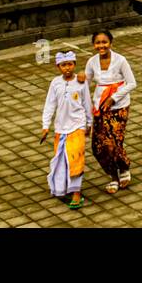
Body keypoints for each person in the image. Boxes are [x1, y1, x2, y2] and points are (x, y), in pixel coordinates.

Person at [85, 30, 137, 192]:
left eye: (104, 42)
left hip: (119, 106)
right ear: (94, 45)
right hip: (100, 106)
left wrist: (114, 97)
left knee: (114, 142)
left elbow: (131, 83)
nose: (101, 46)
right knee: (99, 145)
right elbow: (84, 84)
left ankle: (124, 169)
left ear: (111, 43)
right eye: (98, 43)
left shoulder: (120, 60)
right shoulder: (92, 62)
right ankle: (112, 175)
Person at [41, 51, 93, 209]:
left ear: (75, 65)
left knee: (76, 158)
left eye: (70, 64)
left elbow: (87, 104)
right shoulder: (55, 83)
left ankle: (76, 193)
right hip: (60, 128)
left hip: (78, 126)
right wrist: (45, 126)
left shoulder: (81, 82)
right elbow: (50, 105)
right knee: (61, 159)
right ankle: (63, 187)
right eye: (63, 65)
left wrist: (89, 123)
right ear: (58, 67)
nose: (67, 68)